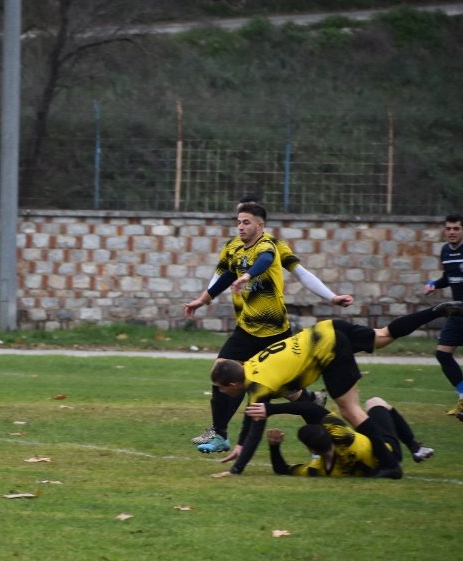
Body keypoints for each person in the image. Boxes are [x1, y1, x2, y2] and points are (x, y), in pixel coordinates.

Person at [209, 301, 462, 478]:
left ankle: (390, 466)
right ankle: (436, 311)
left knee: (350, 409)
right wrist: (241, 445)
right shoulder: (251, 367)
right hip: (326, 328)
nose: (220, 393)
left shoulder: (259, 386)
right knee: (383, 335)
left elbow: (256, 427)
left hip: (328, 347)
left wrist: (236, 470)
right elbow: (254, 415)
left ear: (233, 384)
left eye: (221, 389)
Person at [184, 200, 354, 456]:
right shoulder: (232, 248)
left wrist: (331, 297)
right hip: (246, 330)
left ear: (260, 225)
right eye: (238, 221)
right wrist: (203, 299)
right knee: (221, 374)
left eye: (246, 222)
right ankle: (219, 435)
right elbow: (223, 276)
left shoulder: (271, 246)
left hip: (276, 333)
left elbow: (294, 271)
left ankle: (325, 440)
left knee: (292, 393)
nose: (240, 227)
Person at [246, 397, 434, 477]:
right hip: (389, 452)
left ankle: (414, 447)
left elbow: (283, 470)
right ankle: (414, 446)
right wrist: (271, 409)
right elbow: (311, 408)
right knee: (375, 402)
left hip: (375, 463)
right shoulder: (343, 436)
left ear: (312, 450)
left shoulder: (320, 470)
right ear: (329, 433)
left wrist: (274, 447)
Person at [423, 213, 463, 422]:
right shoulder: (446, 251)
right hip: (457, 313)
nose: (451, 232)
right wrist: (434, 285)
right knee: (442, 353)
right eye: (448, 228)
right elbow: (449, 277)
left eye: (456, 228)